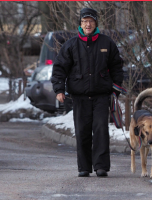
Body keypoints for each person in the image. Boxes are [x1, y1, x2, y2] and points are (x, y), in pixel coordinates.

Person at [51, 8, 124, 177]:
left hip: (101, 96)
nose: (88, 24)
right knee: (82, 131)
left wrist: (115, 90)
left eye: (91, 21)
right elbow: (60, 69)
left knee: (100, 130)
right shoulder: (71, 45)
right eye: (85, 21)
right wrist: (59, 89)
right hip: (79, 97)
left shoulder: (107, 43)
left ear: (96, 23)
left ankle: (101, 166)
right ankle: (84, 167)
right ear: (80, 24)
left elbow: (117, 68)